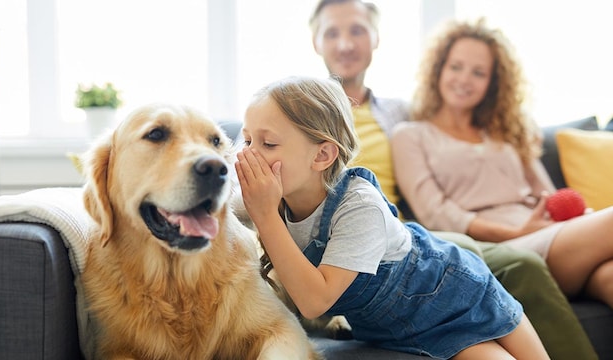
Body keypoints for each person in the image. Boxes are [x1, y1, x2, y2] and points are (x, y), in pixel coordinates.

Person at [309, 0, 598, 358]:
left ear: (376, 39)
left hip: (406, 234)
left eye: (357, 31)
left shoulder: (399, 113)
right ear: (315, 41)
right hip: (375, 236)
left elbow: (450, 124)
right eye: (332, 33)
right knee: (512, 262)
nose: (346, 44)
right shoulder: (303, 113)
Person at [235, 75, 549, 359]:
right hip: (390, 328)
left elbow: (315, 301)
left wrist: (266, 216)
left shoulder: (359, 205)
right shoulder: (266, 199)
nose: (249, 155)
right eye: (247, 140)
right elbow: (213, 213)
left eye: (268, 143)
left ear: (322, 155)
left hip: (457, 296)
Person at [392, 18, 613, 310]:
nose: (464, 79)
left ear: (493, 82)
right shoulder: (410, 135)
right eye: (456, 66)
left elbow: (548, 196)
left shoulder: (506, 133)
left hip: (549, 237)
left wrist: (578, 219)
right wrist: (517, 234)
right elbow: (437, 215)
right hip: (504, 249)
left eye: (478, 72)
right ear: (438, 69)